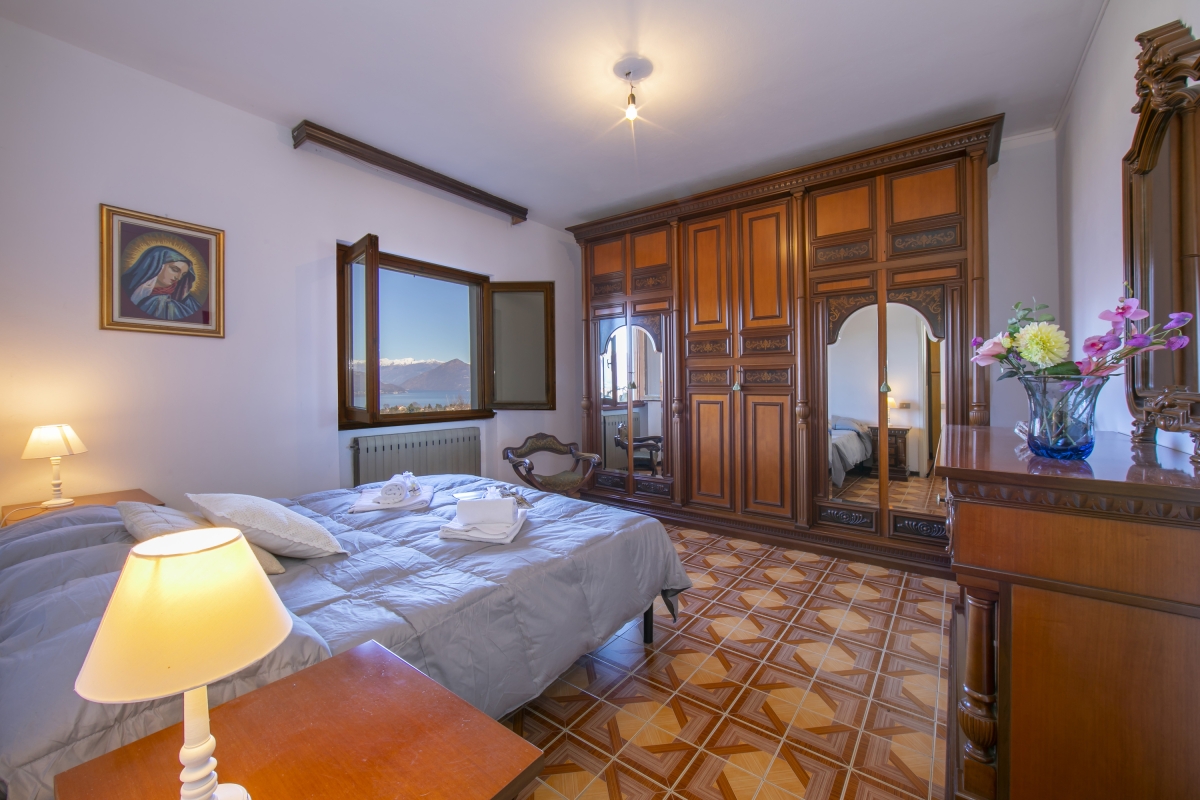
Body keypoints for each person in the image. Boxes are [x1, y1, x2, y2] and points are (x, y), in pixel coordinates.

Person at [120, 245, 202, 320]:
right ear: (156, 264)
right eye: (175, 269)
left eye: (183, 274)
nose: (178, 277)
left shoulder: (186, 301)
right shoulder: (125, 289)